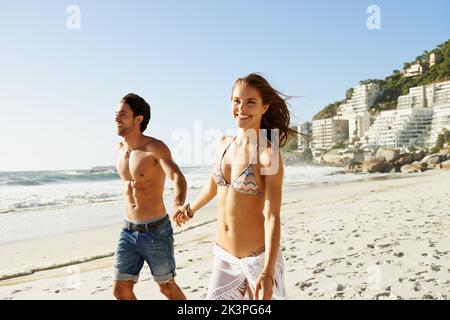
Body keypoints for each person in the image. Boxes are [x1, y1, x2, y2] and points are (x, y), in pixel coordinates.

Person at [173, 73, 297, 300]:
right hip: (224, 256)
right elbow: (213, 185)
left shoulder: (268, 156)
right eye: (237, 101)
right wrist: (191, 208)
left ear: (264, 107)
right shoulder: (223, 143)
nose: (242, 107)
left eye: (251, 102)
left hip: (257, 259)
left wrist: (268, 272)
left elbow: (272, 216)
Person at [113, 93, 187, 300]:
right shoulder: (119, 150)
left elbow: (177, 177)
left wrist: (178, 204)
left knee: (166, 288)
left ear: (139, 119)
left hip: (156, 231)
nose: (116, 119)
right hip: (128, 230)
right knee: (120, 290)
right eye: (116, 114)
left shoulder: (154, 147)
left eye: (122, 115)